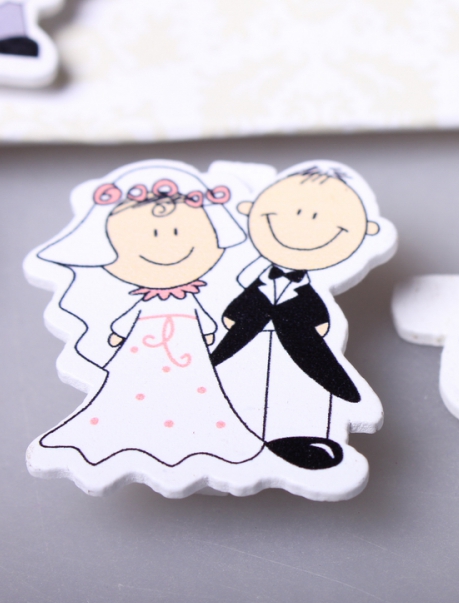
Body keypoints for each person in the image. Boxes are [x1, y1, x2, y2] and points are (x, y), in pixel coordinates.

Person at [36, 165, 265, 467]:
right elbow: (129, 317)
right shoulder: (143, 299)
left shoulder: (191, 296)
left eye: (177, 232)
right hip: (140, 352)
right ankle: (126, 436)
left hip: (190, 351)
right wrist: (119, 333)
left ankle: (199, 437)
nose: (166, 243)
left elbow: (204, 319)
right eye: (150, 234)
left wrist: (209, 332)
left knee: (193, 392)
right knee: (133, 389)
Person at [211, 164, 392, 470]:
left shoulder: (313, 288)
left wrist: (317, 323)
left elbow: (316, 309)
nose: (306, 219)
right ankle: (226, 436)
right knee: (233, 384)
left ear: (368, 231)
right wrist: (233, 316)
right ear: (249, 210)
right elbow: (243, 299)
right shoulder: (247, 276)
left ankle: (297, 442)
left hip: (297, 347)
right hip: (247, 343)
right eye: (291, 210)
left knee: (299, 392)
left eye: (325, 215)